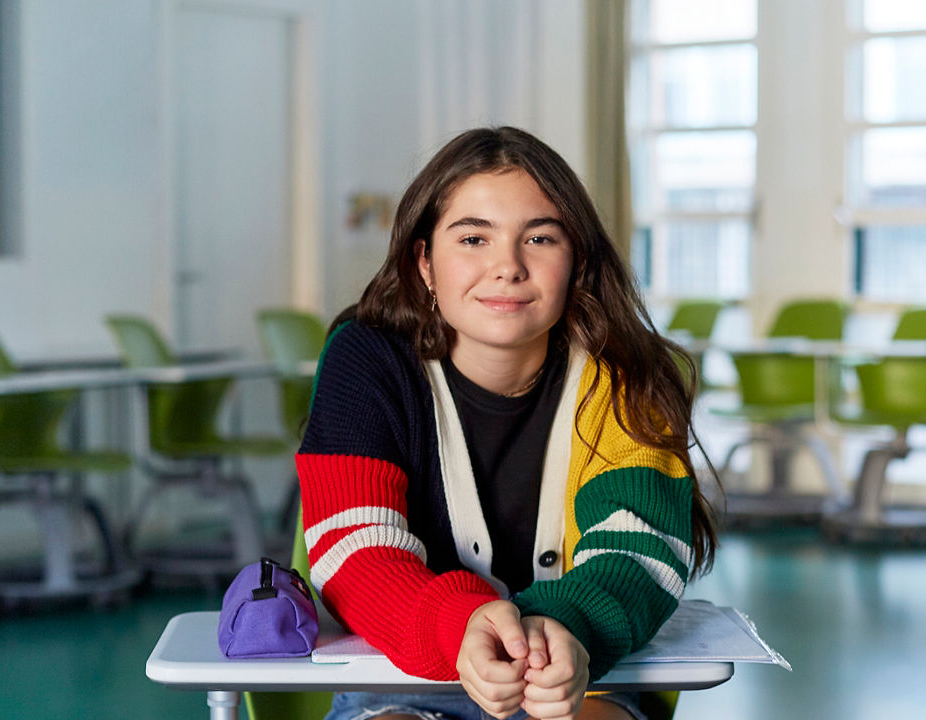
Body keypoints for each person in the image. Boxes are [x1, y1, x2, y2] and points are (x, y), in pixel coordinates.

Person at [296, 127, 719, 720]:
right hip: (401, 676)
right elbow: (357, 552)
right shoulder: (365, 360)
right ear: (425, 262)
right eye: (473, 237)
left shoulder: (628, 374)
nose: (508, 267)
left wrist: (563, 627)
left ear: (575, 262)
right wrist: (461, 625)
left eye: (540, 238)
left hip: (579, 670)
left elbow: (640, 547)